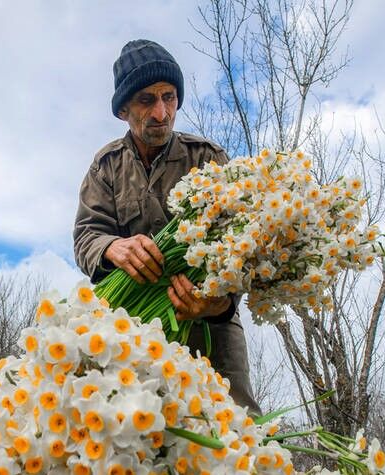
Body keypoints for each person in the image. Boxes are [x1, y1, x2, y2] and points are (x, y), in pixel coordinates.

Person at [73, 39, 261, 414]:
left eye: (169, 97)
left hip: (210, 324)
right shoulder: (106, 166)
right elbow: (86, 235)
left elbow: (242, 249)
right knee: (136, 429)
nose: (161, 112)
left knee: (237, 426)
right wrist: (113, 248)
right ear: (124, 109)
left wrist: (218, 303)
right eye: (146, 100)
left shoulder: (207, 158)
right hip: (132, 321)